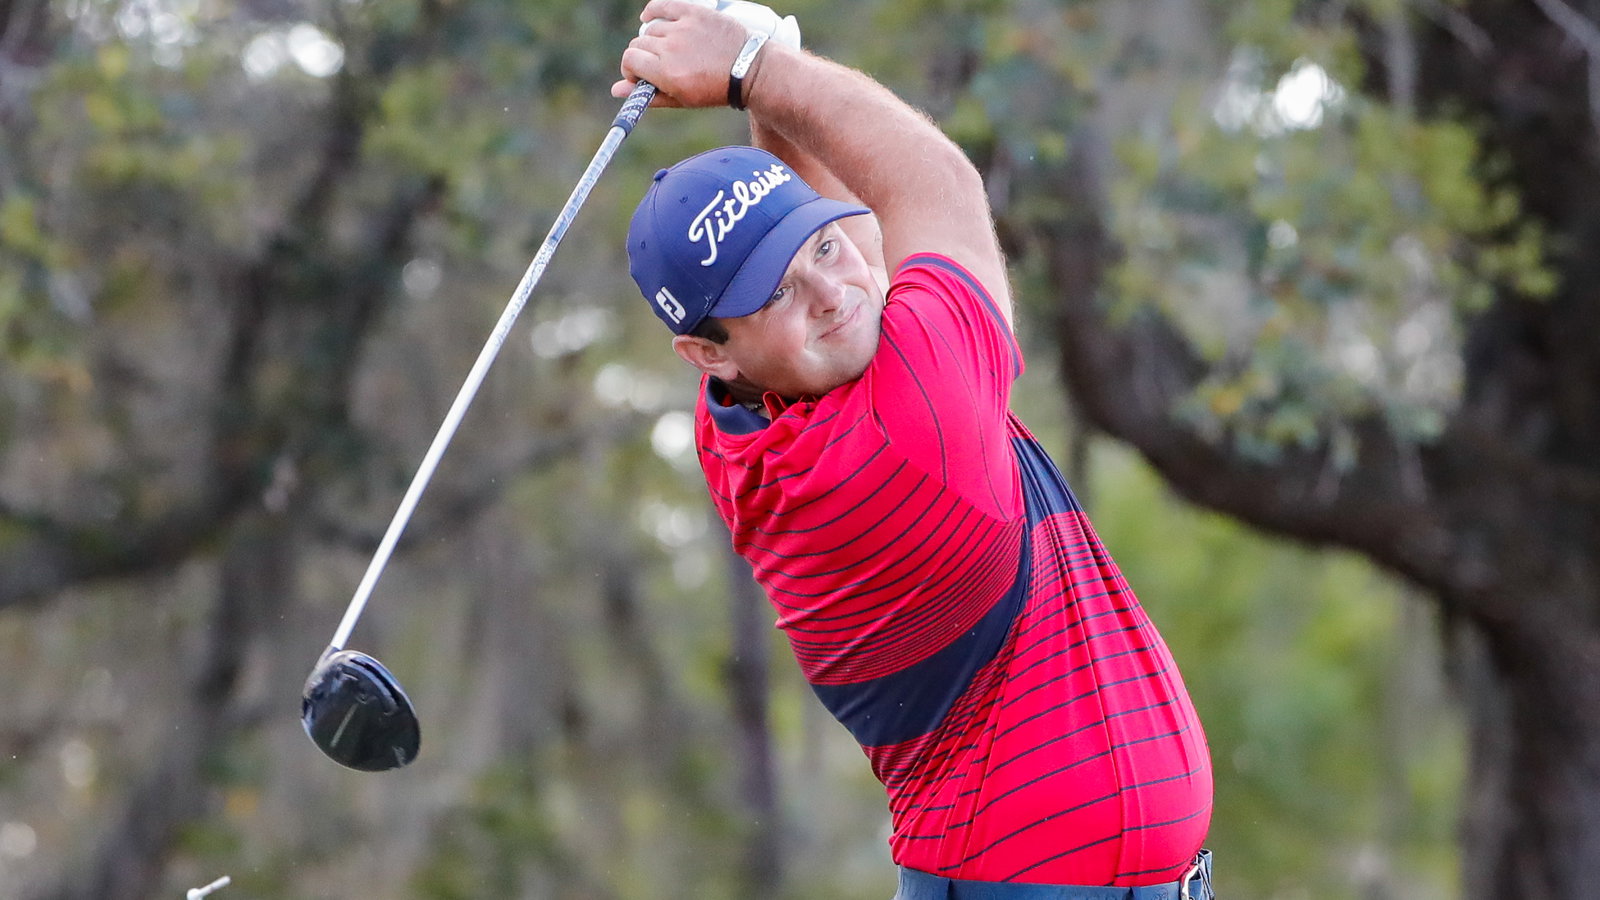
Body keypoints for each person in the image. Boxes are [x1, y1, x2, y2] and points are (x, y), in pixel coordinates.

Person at [614, 2, 1215, 896]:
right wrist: (755, 68)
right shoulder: (906, 436)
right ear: (708, 353)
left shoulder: (741, 424)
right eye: (775, 293)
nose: (832, 290)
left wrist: (770, 85)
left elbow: (854, 272)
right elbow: (938, 187)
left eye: (820, 245)